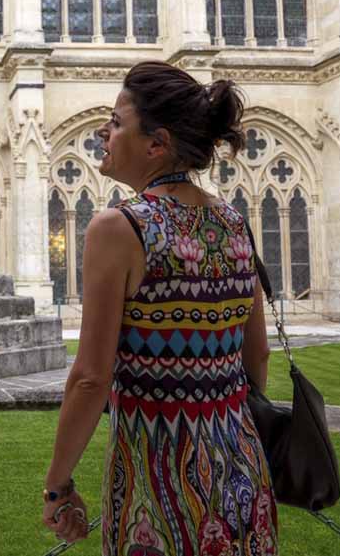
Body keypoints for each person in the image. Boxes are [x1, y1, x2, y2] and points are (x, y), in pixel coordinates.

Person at [41, 61, 276, 556]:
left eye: (116, 121)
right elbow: (257, 358)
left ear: (156, 144)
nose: (104, 131)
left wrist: (58, 486)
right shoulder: (233, 222)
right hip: (243, 475)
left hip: (157, 476)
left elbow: (90, 377)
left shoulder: (119, 229)